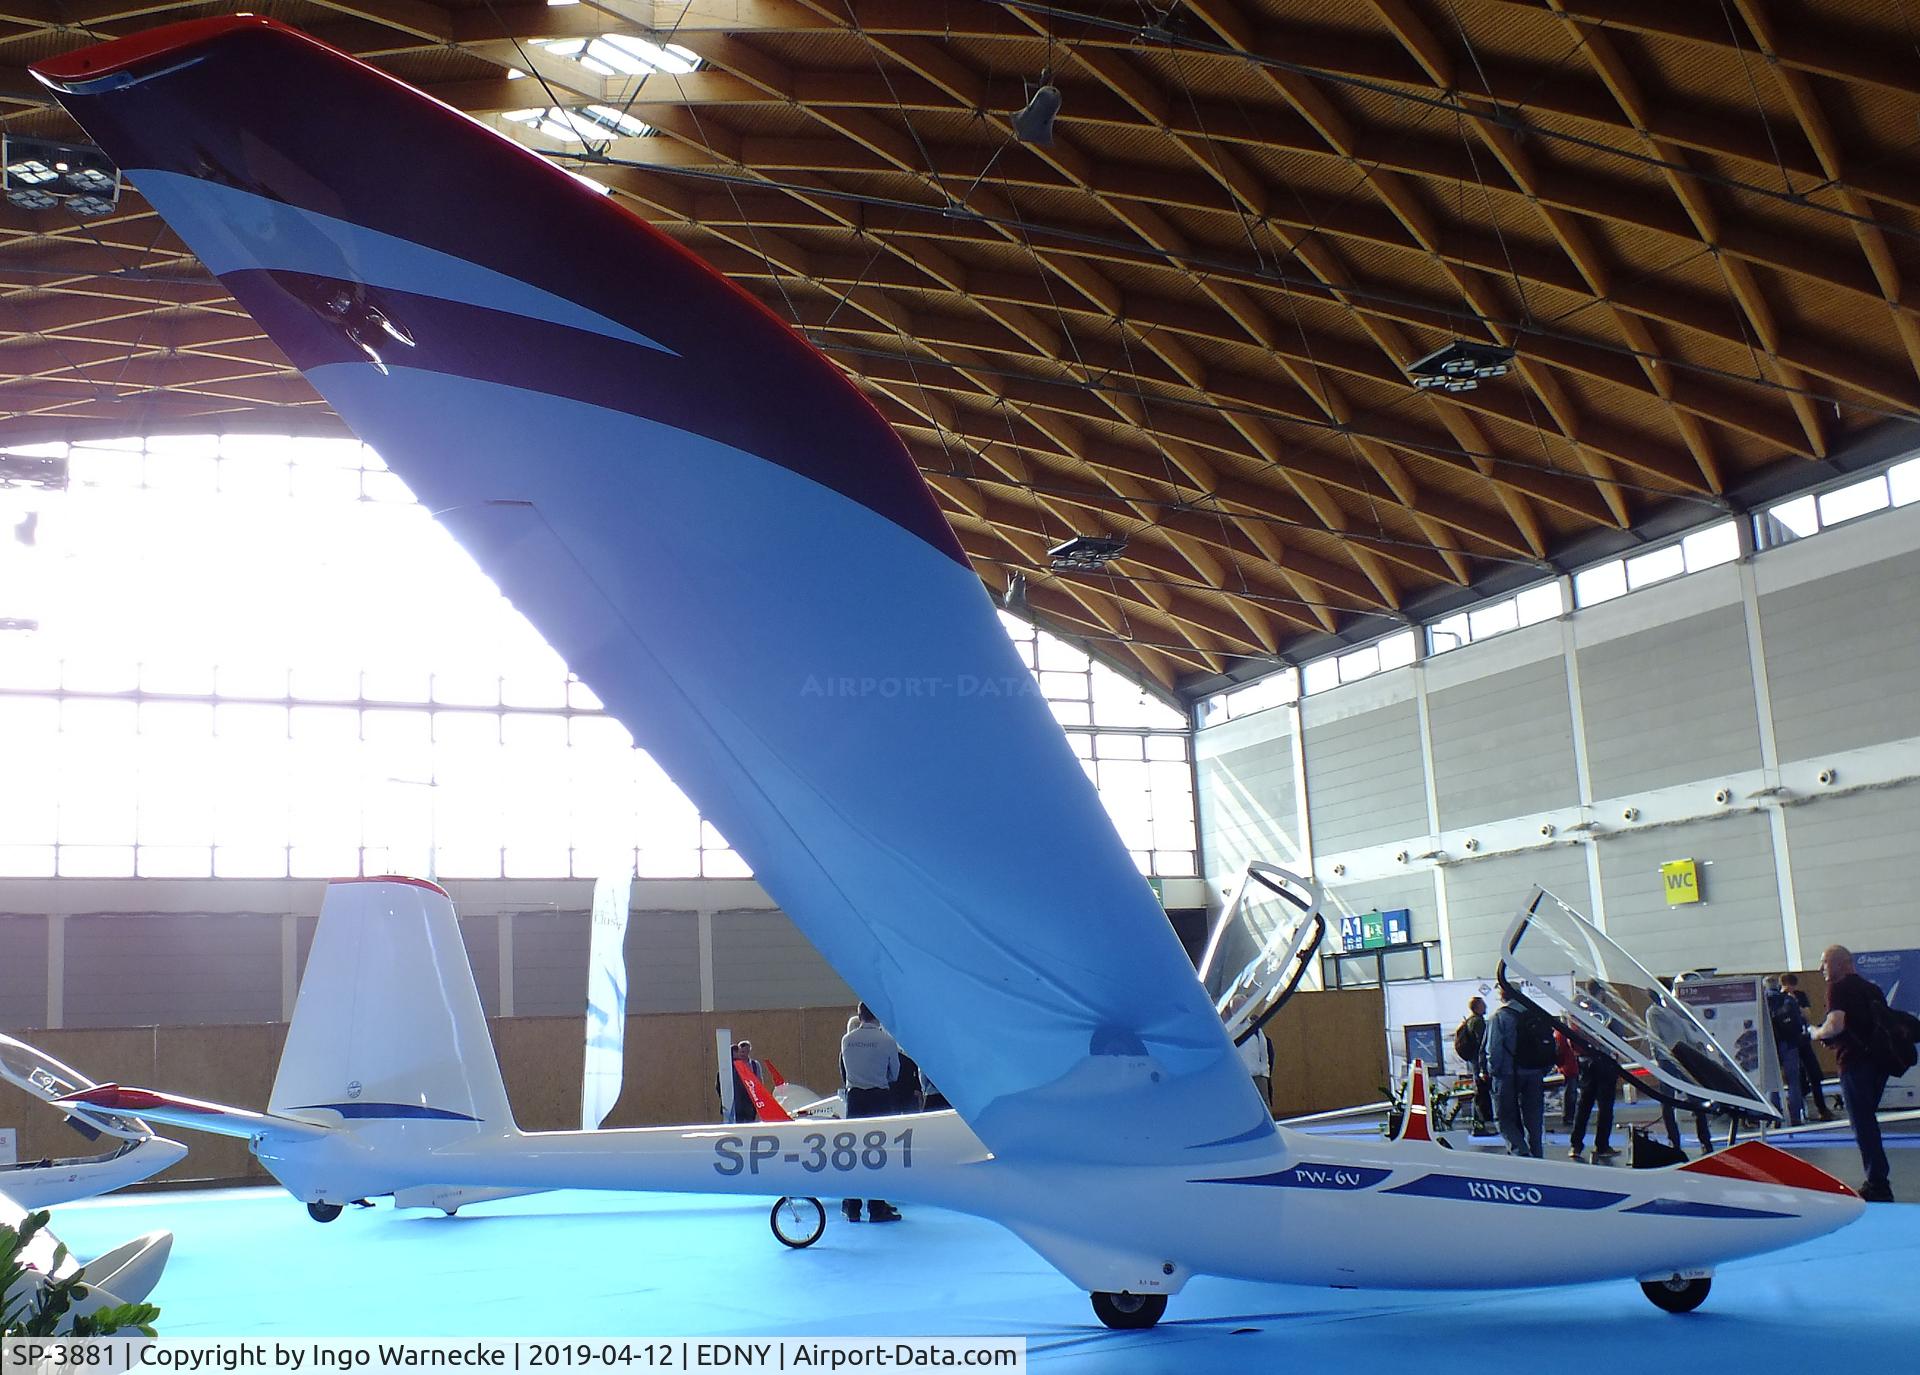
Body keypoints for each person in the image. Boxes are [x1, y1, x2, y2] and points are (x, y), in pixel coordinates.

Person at [1812, 946, 1894, 1202]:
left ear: (1840, 964)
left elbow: (1835, 1024)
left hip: (1855, 1062)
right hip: (1879, 1063)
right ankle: (1878, 1178)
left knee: (1862, 1123)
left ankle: (1877, 1182)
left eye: (1824, 962)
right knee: (1869, 1120)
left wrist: (1815, 1032)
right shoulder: (1872, 989)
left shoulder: (1839, 987)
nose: (1821, 968)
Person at [839, 1003, 903, 1222]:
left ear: (859, 1016)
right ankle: (876, 1207)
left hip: (855, 1099)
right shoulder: (887, 1040)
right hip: (879, 1098)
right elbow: (895, 1073)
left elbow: (845, 1071)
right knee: (878, 1153)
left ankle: (852, 1206)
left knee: (853, 1152)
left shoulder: (847, 1040)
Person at [1486, 981, 1550, 1158]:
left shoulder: (1500, 1017)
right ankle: (1537, 1153)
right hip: (1535, 1073)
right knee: (1534, 1118)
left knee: (1505, 1118)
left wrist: (1492, 1071)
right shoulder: (1536, 1013)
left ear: (1504, 994)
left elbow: (1494, 1048)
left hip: (1507, 1074)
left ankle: (1520, 1154)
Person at [1783, 973, 1835, 1120]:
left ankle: (1822, 1109)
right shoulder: (1777, 999)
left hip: (1803, 1039)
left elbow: (1808, 1015)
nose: (1791, 989)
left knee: (1814, 1074)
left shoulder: (1799, 995)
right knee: (1795, 1078)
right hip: (1788, 1043)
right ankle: (1794, 1111)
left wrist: (1795, 1004)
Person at [1567, 1036, 1620, 1162]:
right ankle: (1602, 1146)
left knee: (1584, 1106)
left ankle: (1576, 1145)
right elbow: (1617, 1037)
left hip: (1586, 1062)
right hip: (1606, 1063)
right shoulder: (1607, 1016)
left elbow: (1572, 1040)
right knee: (1605, 1108)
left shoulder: (1577, 1018)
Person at [1764, 976, 1806, 1127]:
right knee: (1794, 1081)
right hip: (1789, 1044)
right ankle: (1795, 1116)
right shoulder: (1788, 999)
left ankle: (1774, 1115)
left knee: (1772, 1082)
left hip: (1770, 1044)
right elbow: (1799, 1021)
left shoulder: (1762, 1001)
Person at [1452, 996, 1492, 1130]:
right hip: (1479, 1061)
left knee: (1478, 1092)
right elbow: (1483, 1043)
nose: (1485, 1007)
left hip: (1474, 1060)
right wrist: (1484, 1067)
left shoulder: (1469, 1021)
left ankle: (1479, 1125)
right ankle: (1479, 1125)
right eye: (1483, 1005)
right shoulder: (1477, 1022)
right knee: (1480, 1093)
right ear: (1477, 1007)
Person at [1239, 1027, 1274, 1112]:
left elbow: (1266, 1054)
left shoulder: (1256, 1031)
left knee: (1263, 1105)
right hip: (1242, 1076)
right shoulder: (1231, 1029)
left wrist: (1265, 1073)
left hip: (1258, 1075)